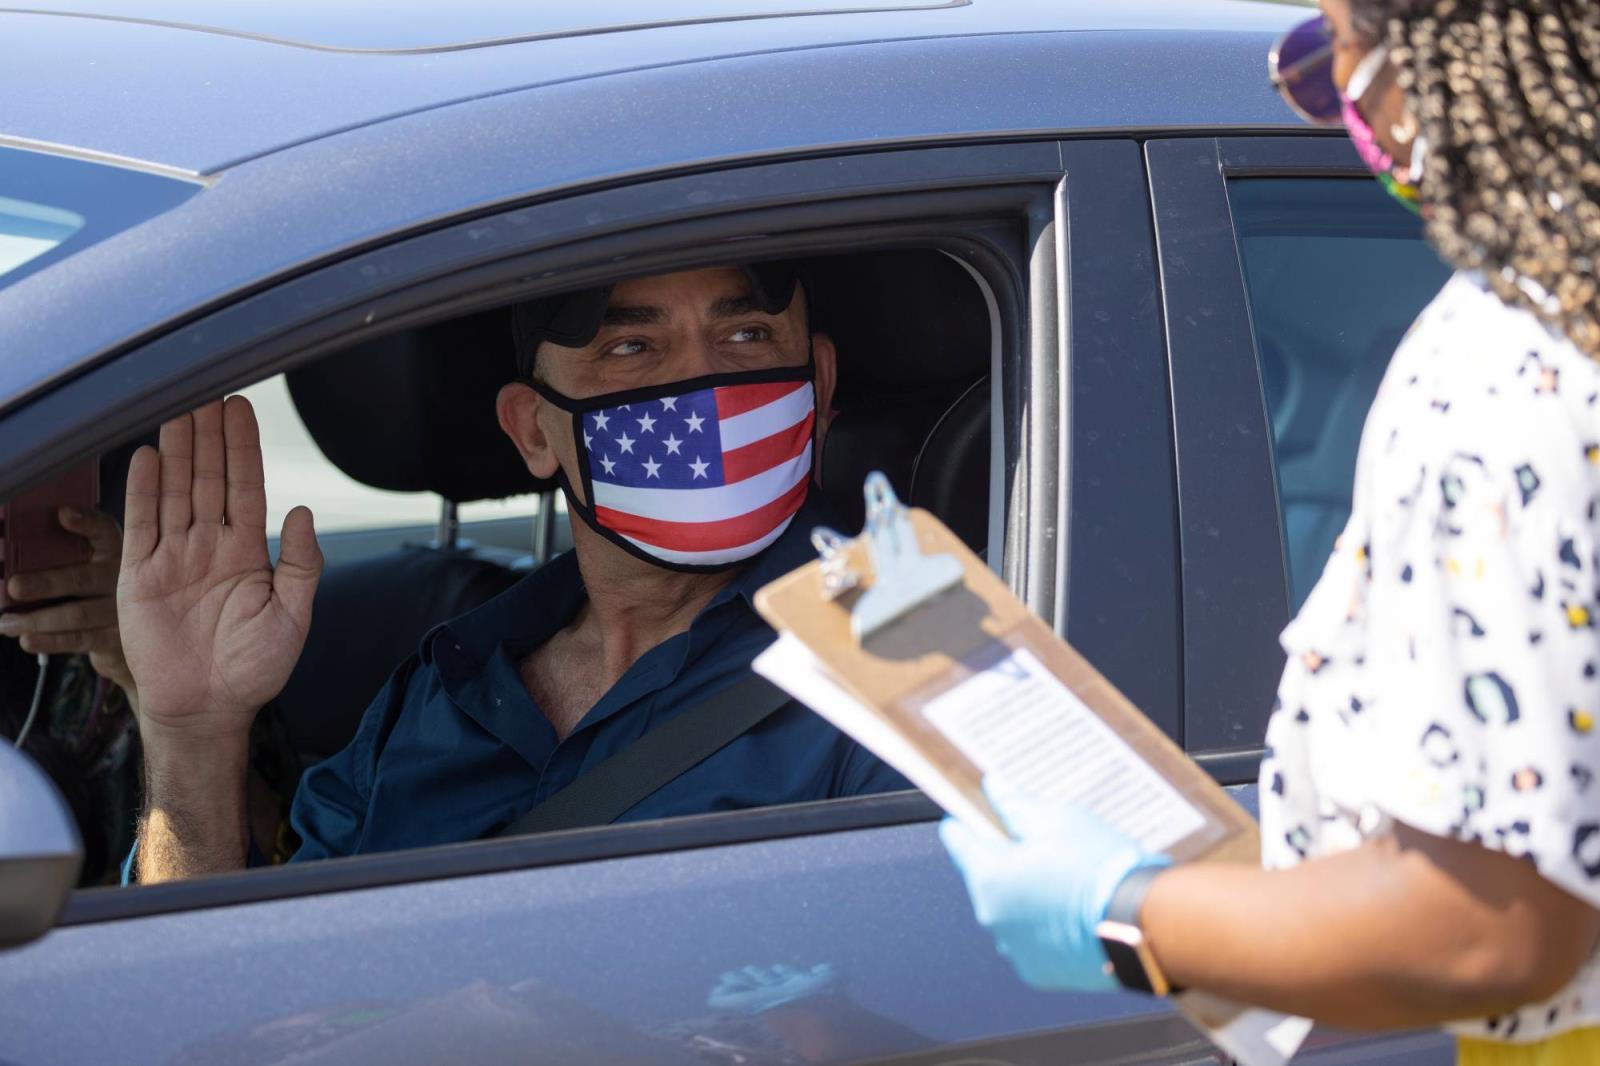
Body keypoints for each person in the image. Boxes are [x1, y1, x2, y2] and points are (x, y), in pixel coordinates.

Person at [940, 1, 1600, 1063]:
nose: (1321, 92)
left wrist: (1125, 910)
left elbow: (1491, 927)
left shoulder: (1506, 375)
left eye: (1330, 43)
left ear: (1432, 56)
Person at [119, 262, 908, 883]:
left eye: (748, 336)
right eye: (631, 348)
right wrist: (193, 732)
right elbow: (252, 994)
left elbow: (966, 1001)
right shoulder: (439, 690)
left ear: (821, 384)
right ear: (534, 432)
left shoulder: (919, 648)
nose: (697, 386)